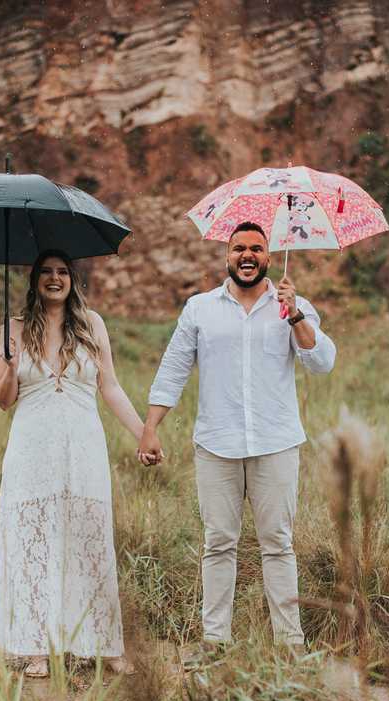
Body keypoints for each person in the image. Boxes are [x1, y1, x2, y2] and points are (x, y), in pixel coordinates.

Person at [137, 221, 336, 662]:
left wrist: (296, 313)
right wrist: (151, 427)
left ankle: (290, 644)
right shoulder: (200, 309)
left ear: (269, 256)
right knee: (218, 543)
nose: (247, 256)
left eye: (257, 249)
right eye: (239, 249)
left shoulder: (293, 306)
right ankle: (215, 641)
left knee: (278, 543)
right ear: (226, 256)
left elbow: (321, 362)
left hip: (276, 443)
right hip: (216, 443)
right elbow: (173, 369)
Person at [0, 249, 143, 677]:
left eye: (62, 272)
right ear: (33, 278)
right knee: (33, 543)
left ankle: (105, 645)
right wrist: (7, 368)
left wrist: (143, 434)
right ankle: (38, 648)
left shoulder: (91, 324)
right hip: (31, 449)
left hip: (84, 446)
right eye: (46, 272)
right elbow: (4, 402)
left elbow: (110, 387)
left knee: (90, 539)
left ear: (72, 279)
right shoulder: (13, 330)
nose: (55, 279)